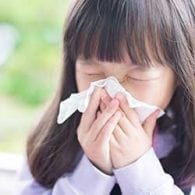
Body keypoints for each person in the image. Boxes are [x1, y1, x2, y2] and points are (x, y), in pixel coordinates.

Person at [16, 0, 195, 194]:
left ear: (180, 73)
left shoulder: (187, 146)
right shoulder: (51, 142)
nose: (113, 93)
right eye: (93, 73)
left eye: (136, 76)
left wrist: (137, 167)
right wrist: (92, 170)